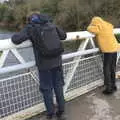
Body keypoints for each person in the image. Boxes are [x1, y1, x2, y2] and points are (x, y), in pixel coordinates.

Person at [12, 12, 66, 119]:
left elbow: (16, 39)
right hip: (57, 61)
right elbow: (64, 36)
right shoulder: (51, 24)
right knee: (58, 85)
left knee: (47, 89)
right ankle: (61, 110)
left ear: (30, 20)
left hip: (44, 64)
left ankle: (50, 113)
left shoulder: (31, 27)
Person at [87, 16, 120, 95]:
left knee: (106, 68)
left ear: (95, 22)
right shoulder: (108, 25)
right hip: (115, 47)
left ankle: (109, 89)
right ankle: (113, 85)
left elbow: (89, 29)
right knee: (112, 67)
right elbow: (111, 27)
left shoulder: (98, 27)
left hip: (108, 50)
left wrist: (91, 24)